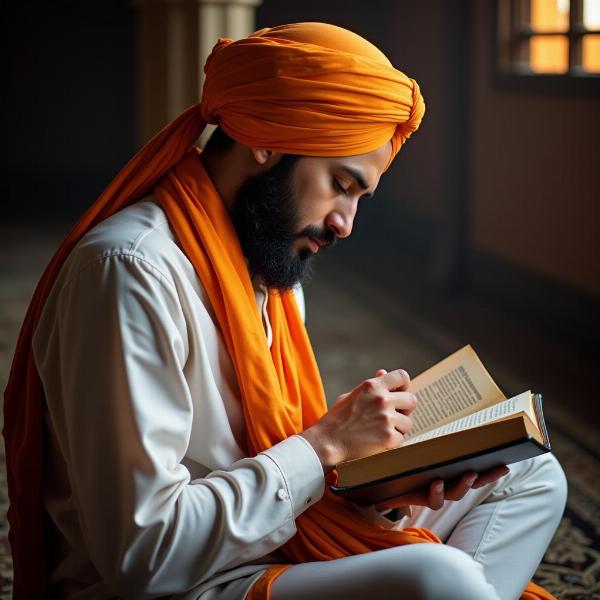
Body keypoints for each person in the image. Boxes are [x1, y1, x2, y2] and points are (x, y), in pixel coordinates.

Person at [3, 22, 566, 600]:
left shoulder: (270, 266)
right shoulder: (131, 271)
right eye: (340, 185)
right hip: (182, 584)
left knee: (531, 474)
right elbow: (142, 555)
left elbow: (271, 461)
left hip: (268, 536)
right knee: (440, 577)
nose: (346, 223)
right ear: (268, 141)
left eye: (359, 198)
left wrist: (383, 489)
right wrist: (324, 445)